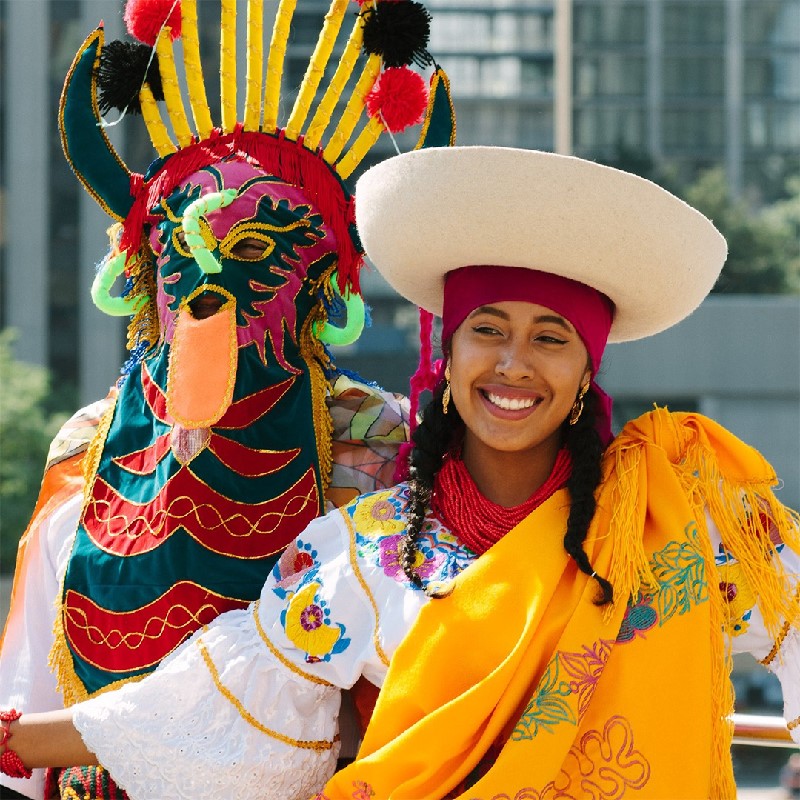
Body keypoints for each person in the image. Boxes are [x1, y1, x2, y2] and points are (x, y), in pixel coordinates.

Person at [2, 146, 799, 800]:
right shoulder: (361, 550)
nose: (514, 365)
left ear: (588, 370)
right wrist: (17, 739)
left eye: (551, 338)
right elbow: (219, 702)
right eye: (488, 330)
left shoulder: (678, 524)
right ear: (445, 358)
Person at [0, 0, 456, 797]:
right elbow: (29, 689)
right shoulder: (87, 444)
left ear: (319, 278)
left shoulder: (376, 443)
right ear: (146, 266)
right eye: (182, 244)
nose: (208, 282)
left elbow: (407, 688)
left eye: (252, 249)